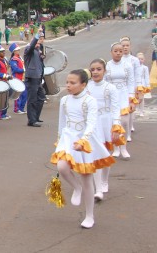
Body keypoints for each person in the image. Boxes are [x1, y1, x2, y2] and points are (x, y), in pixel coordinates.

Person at [50, 69, 114, 229]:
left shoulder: (89, 100)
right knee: (62, 166)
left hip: (84, 140)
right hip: (68, 138)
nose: (68, 86)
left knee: (87, 178)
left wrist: (83, 140)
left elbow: (92, 123)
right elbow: (62, 122)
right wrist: (59, 139)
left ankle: (89, 216)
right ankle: (76, 188)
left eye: (73, 83)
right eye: (67, 82)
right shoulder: (64, 100)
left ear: (83, 84)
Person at [87, 58, 124, 200]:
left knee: (106, 153)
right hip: (92, 123)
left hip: (106, 122)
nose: (95, 72)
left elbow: (116, 108)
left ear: (104, 71)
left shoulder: (110, 88)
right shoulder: (87, 87)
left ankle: (104, 181)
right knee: (95, 154)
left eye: (98, 69)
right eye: (93, 69)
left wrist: (116, 125)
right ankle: (97, 188)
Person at [104, 42, 134, 159]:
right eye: (115, 51)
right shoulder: (107, 66)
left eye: (120, 51)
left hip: (123, 94)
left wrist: (131, 98)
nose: (118, 53)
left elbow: (131, 82)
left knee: (124, 122)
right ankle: (116, 148)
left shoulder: (128, 65)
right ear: (111, 52)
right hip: (111, 96)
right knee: (113, 123)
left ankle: (124, 147)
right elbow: (104, 81)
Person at [120, 36, 142, 140]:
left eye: (127, 45)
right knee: (122, 111)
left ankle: (128, 131)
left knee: (130, 110)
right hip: (120, 88)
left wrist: (139, 89)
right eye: (123, 46)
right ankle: (122, 130)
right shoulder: (118, 59)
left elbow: (138, 75)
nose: (125, 47)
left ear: (130, 46)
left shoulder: (135, 60)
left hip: (131, 88)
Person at [24, 33, 46, 127]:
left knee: (41, 97)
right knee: (32, 99)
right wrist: (36, 36)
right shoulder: (29, 49)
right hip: (32, 77)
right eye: (37, 41)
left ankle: (36, 117)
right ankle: (31, 120)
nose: (38, 43)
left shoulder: (37, 51)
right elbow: (32, 46)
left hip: (38, 77)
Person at [0, 44, 12, 120]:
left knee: (6, 98)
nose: (4, 52)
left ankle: (4, 113)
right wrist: (6, 76)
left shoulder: (3, 60)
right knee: (2, 99)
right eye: (2, 52)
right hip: (0, 82)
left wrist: (8, 76)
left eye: (4, 51)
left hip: (4, 81)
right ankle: (1, 115)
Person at [9, 43, 26, 115]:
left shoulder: (20, 58)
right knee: (18, 95)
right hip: (17, 78)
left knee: (25, 94)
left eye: (19, 49)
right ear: (14, 51)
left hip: (23, 78)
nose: (18, 51)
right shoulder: (13, 60)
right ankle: (17, 109)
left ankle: (22, 108)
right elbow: (15, 69)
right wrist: (24, 70)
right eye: (17, 50)